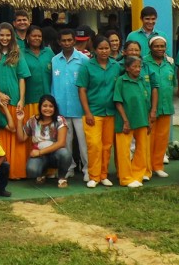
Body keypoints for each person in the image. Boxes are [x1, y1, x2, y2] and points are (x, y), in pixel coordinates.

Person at [0, 22, 30, 179]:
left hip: (15, 101)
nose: (5, 38)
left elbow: (22, 78)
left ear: (12, 36)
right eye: (2, 35)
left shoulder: (17, 54)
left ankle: (16, 172)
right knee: (0, 137)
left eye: (8, 35)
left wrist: (21, 99)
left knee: (16, 137)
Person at [78, 36, 120, 188]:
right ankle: (93, 176)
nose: (104, 51)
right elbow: (82, 90)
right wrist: (87, 112)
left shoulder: (116, 66)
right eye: (101, 48)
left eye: (106, 48)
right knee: (94, 145)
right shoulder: (87, 67)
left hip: (111, 112)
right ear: (94, 50)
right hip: (93, 112)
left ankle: (103, 175)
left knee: (107, 146)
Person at [51, 28, 89, 181]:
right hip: (61, 110)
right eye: (63, 40)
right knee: (65, 142)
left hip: (79, 108)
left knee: (83, 142)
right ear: (59, 42)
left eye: (69, 40)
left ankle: (87, 169)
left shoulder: (83, 60)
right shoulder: (54, 60)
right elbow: (53, 84)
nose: (67, 43)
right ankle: (69, 167)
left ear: (74, 41)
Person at [113, 56, 151, 188]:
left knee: (142, 149)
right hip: (126, 121)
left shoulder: (141, 80)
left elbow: (146, 101)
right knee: (124, 151)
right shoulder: (121, 81)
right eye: (134, 67)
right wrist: (125, 121)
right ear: (127, 68)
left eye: (139, 66)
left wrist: (148, 121)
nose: (137, 69)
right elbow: (118, 102)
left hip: (141, 120)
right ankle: (125, 178)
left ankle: (137, 175)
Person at [20, 94, 71, 186]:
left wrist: (40, 152)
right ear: (40, 107)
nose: (48, 109)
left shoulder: (60, 120)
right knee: (32, 171)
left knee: (65, 154)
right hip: (40, 155)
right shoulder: (33, 120)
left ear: (55, 107)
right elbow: (21, 138)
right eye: (45, 106)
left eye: (51, 106)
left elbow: (61, 143)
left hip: (54, 153)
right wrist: (19, 120)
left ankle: (62, 178)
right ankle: (42, 173)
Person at [143, 35, 175, 179]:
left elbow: (172, 83)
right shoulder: (144, 62)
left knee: (162, 139)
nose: (160, 48)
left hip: (166, 106)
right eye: (156, 46)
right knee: (148, 139)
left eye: (162, 46)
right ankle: (146, 168)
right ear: (150, 47)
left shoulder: (170, 62)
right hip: (149, 108)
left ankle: (158, 166)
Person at [21, 25, 54, 122]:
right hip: (29, 99)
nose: (37, 38)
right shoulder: (20, 53)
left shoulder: (49, 52)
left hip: (47, 101)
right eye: (33, 36)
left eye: (39, 36)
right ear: (27, 37)